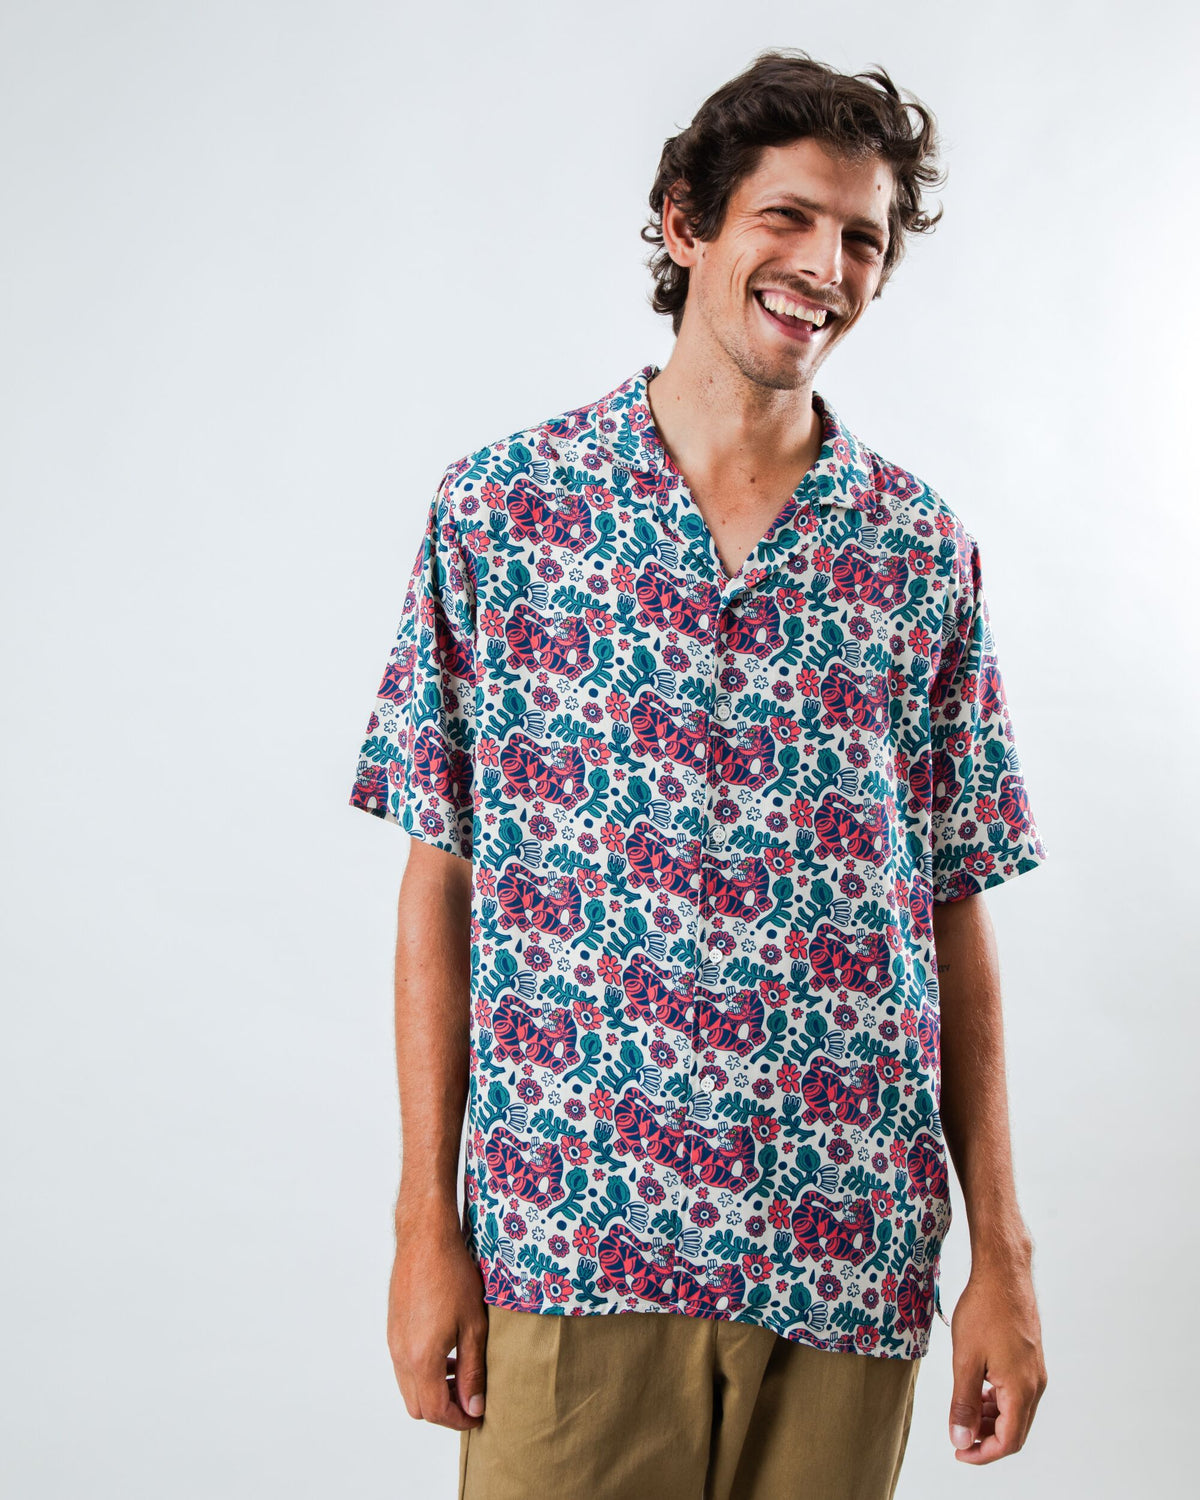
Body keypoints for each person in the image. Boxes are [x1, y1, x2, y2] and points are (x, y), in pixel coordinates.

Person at [348, 46, 1049, 1500]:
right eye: (787, 217)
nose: (826, 269)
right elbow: (440, 882)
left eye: (863, 239)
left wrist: (1005, 1256)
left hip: (845, 1254)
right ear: (685, 223)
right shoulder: (506, 513)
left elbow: (953, 907)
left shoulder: (919, 552)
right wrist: (425, 1224)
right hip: (572, 1242)